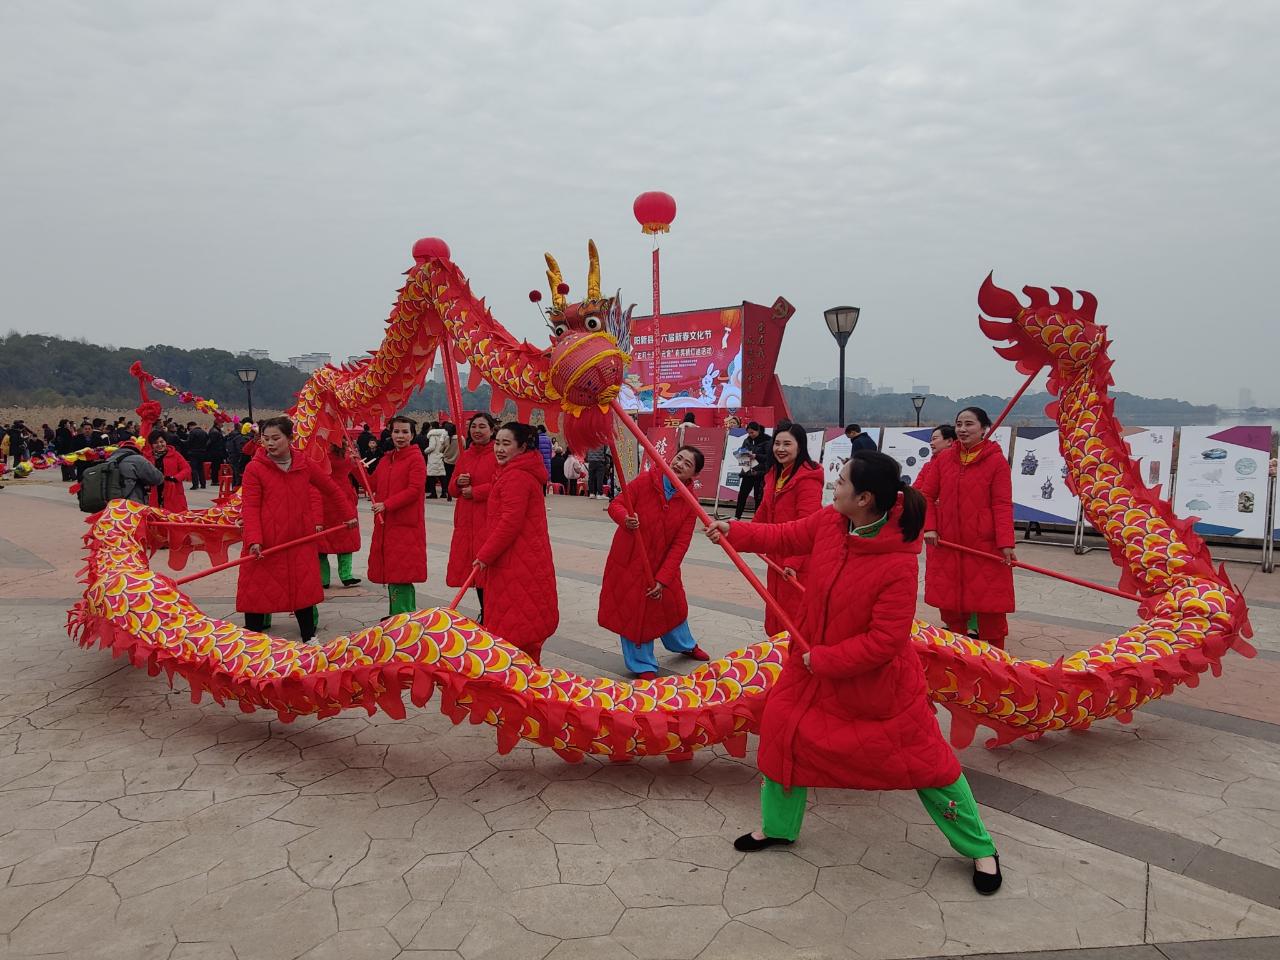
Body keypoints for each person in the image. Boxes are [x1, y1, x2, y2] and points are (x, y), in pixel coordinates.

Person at [705, 451, 1002, 894]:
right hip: (810, 668)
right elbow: (786, 534)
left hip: (876, 686)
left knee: (929, 764)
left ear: (864, 498)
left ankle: (981, 848)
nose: (834, 486)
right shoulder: (831, 522)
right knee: (783, 736)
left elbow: (886, 641)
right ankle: (779, 828)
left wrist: (826, 660)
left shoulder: (899, 562)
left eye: (841, 481)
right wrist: (735, 530)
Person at [236, 416, 357, 644]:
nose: (270, 443)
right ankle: (252, 641)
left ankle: (309, 637)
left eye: (275, 438)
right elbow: (250, 507)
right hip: (267, 541)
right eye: (265, 438)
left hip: (300, 539)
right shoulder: (255, 468)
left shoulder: (304, 464)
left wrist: (348, 514)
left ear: (290, 438)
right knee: (258, 592)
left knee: (303, 590)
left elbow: (330, 488)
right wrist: (253, 539)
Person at [599, 445, 711, 680]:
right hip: (629, 562)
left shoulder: (690, 502)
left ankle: (685, 644)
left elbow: (681, 544)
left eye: (687, 464)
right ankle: (642, 664)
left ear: (694, 475)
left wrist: (663, 579)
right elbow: (616, 504)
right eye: (678, 458)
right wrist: (625, 519)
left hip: (662, 565)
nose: (679, 464)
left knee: (673, 607)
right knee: (634, 613)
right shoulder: (645, 481)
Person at [915, 406, 1016, 650]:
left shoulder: (996, 461)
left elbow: (1002, 504)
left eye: (969, 424)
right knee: (951, 607)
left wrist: (1006, 543)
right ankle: (958, 658)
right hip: (947, 543)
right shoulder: (944, 459)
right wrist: (930, 527)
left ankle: (997, 661)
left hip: (983, 544)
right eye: (959, 424)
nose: (962, 429)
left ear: (984, 428)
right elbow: (926, 495)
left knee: (991, 607)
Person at [473, 422, 558, 662]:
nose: (499, 448)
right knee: (524, 624)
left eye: (506, 443)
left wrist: (484, 555)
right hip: (522, 559)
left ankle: (521, 681)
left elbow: (510, 522)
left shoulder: (516, 477)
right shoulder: (516, 473)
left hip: (515, 562)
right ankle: (529, 677)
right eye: (497, 443)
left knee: (515, 624)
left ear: (522, 447)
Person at [752, 423, 824, 637]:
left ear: (800, 447)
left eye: (787, 444)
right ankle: (779, 656)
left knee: (795, 616)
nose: (780, 448)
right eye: (777, 443)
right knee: (775, 609)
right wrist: (736, 535)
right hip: (777, 557)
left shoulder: (808, 479)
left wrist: (793, 562)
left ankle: (794, 659)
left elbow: (808, 526)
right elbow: (764, 512)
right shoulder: (775, 474)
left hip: (799, 561)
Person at [369, 415, 428, 617]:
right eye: (396, 431)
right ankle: (398, 616)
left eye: (405, 432)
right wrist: (353, 466)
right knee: (393, 573)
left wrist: (386, 504)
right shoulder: (386, 459)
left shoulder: (416, 459)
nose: (400, 436)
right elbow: (372, 484)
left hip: (405, 526)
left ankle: (404, 617)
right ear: (390, 433)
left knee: (402, 575)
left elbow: (414, 490)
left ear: (412, 435)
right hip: (387, 525)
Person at [447, 413, 499, 618]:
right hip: (467, 520)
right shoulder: (465, 454)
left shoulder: (497, 453)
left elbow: (501, 482)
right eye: (473, 426)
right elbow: (452, 489)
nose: (477, 430)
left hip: (487, 518)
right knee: (474, 570)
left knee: (487, 568)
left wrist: (477, 492)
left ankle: (490, 612)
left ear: (492, 430)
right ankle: (484, 611)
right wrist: (458, 483)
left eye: (482, 426)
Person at [317, 443, 363, 589]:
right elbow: (356, 471)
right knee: (346, 537)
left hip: (324, 497)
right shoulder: (347, 455)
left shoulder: (319, 452)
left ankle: (323, 579)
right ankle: (346, 575)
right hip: (342, 495)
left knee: (322, 543)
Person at [733, 422, 773, 519]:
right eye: (749, 433)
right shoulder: (747, 440)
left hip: (760, 473)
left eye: (752, 433)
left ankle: (757, 518)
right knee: (742, 494)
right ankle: (737, 516)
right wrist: (741, 454)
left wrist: (756, 456)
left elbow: (769, 457)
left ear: (758, 431)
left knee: (758, 497)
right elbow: (742, 451)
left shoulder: (767, 440)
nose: (751, 435)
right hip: (748, 470)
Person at [146, 430, 191, 512]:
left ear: (165, 442)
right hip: (154, 491)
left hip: (173, 491)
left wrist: (175, 478)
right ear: (151, 445)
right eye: (156, 443)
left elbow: (186, 469)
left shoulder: (175, 455)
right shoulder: (147, 457)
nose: (159, 445)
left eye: (161, 441)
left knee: (174, 517)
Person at [186, 421, 208, 490]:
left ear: (190, 426)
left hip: (193, 453)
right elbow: (207, 442)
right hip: (202, 452)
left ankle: (195, 484)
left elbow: (189, 442)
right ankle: (203, 484)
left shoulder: (192, 433)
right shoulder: (204, 432)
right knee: (201, 469)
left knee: (194, 469)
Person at [441, 422, 460, 501]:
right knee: (456, 477)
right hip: (457, 461)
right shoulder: (460, 438)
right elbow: (464, 448)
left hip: (447, 461)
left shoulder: (447, 439)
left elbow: (441, 450)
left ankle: (449, 493)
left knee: (448, 477)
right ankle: (456, 492)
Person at [206, 424, 226, 488]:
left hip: (216, 452)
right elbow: (211, 442)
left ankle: (215, 480)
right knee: (215, 467)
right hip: (216, 452)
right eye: (221, 423)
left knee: (216, 467)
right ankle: (214, 481)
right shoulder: (215, 432)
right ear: (218, 424)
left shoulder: (215, 431)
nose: (222, 425)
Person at [536, 424, 553, 493]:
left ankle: (539, 491)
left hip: (539, 460)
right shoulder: (548, 439)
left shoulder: (537, 439)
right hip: (547, 460)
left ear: (539, 430)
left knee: (539, 475)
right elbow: (551, 451)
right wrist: (549, 459)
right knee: (545, 475)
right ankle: (544, 491)